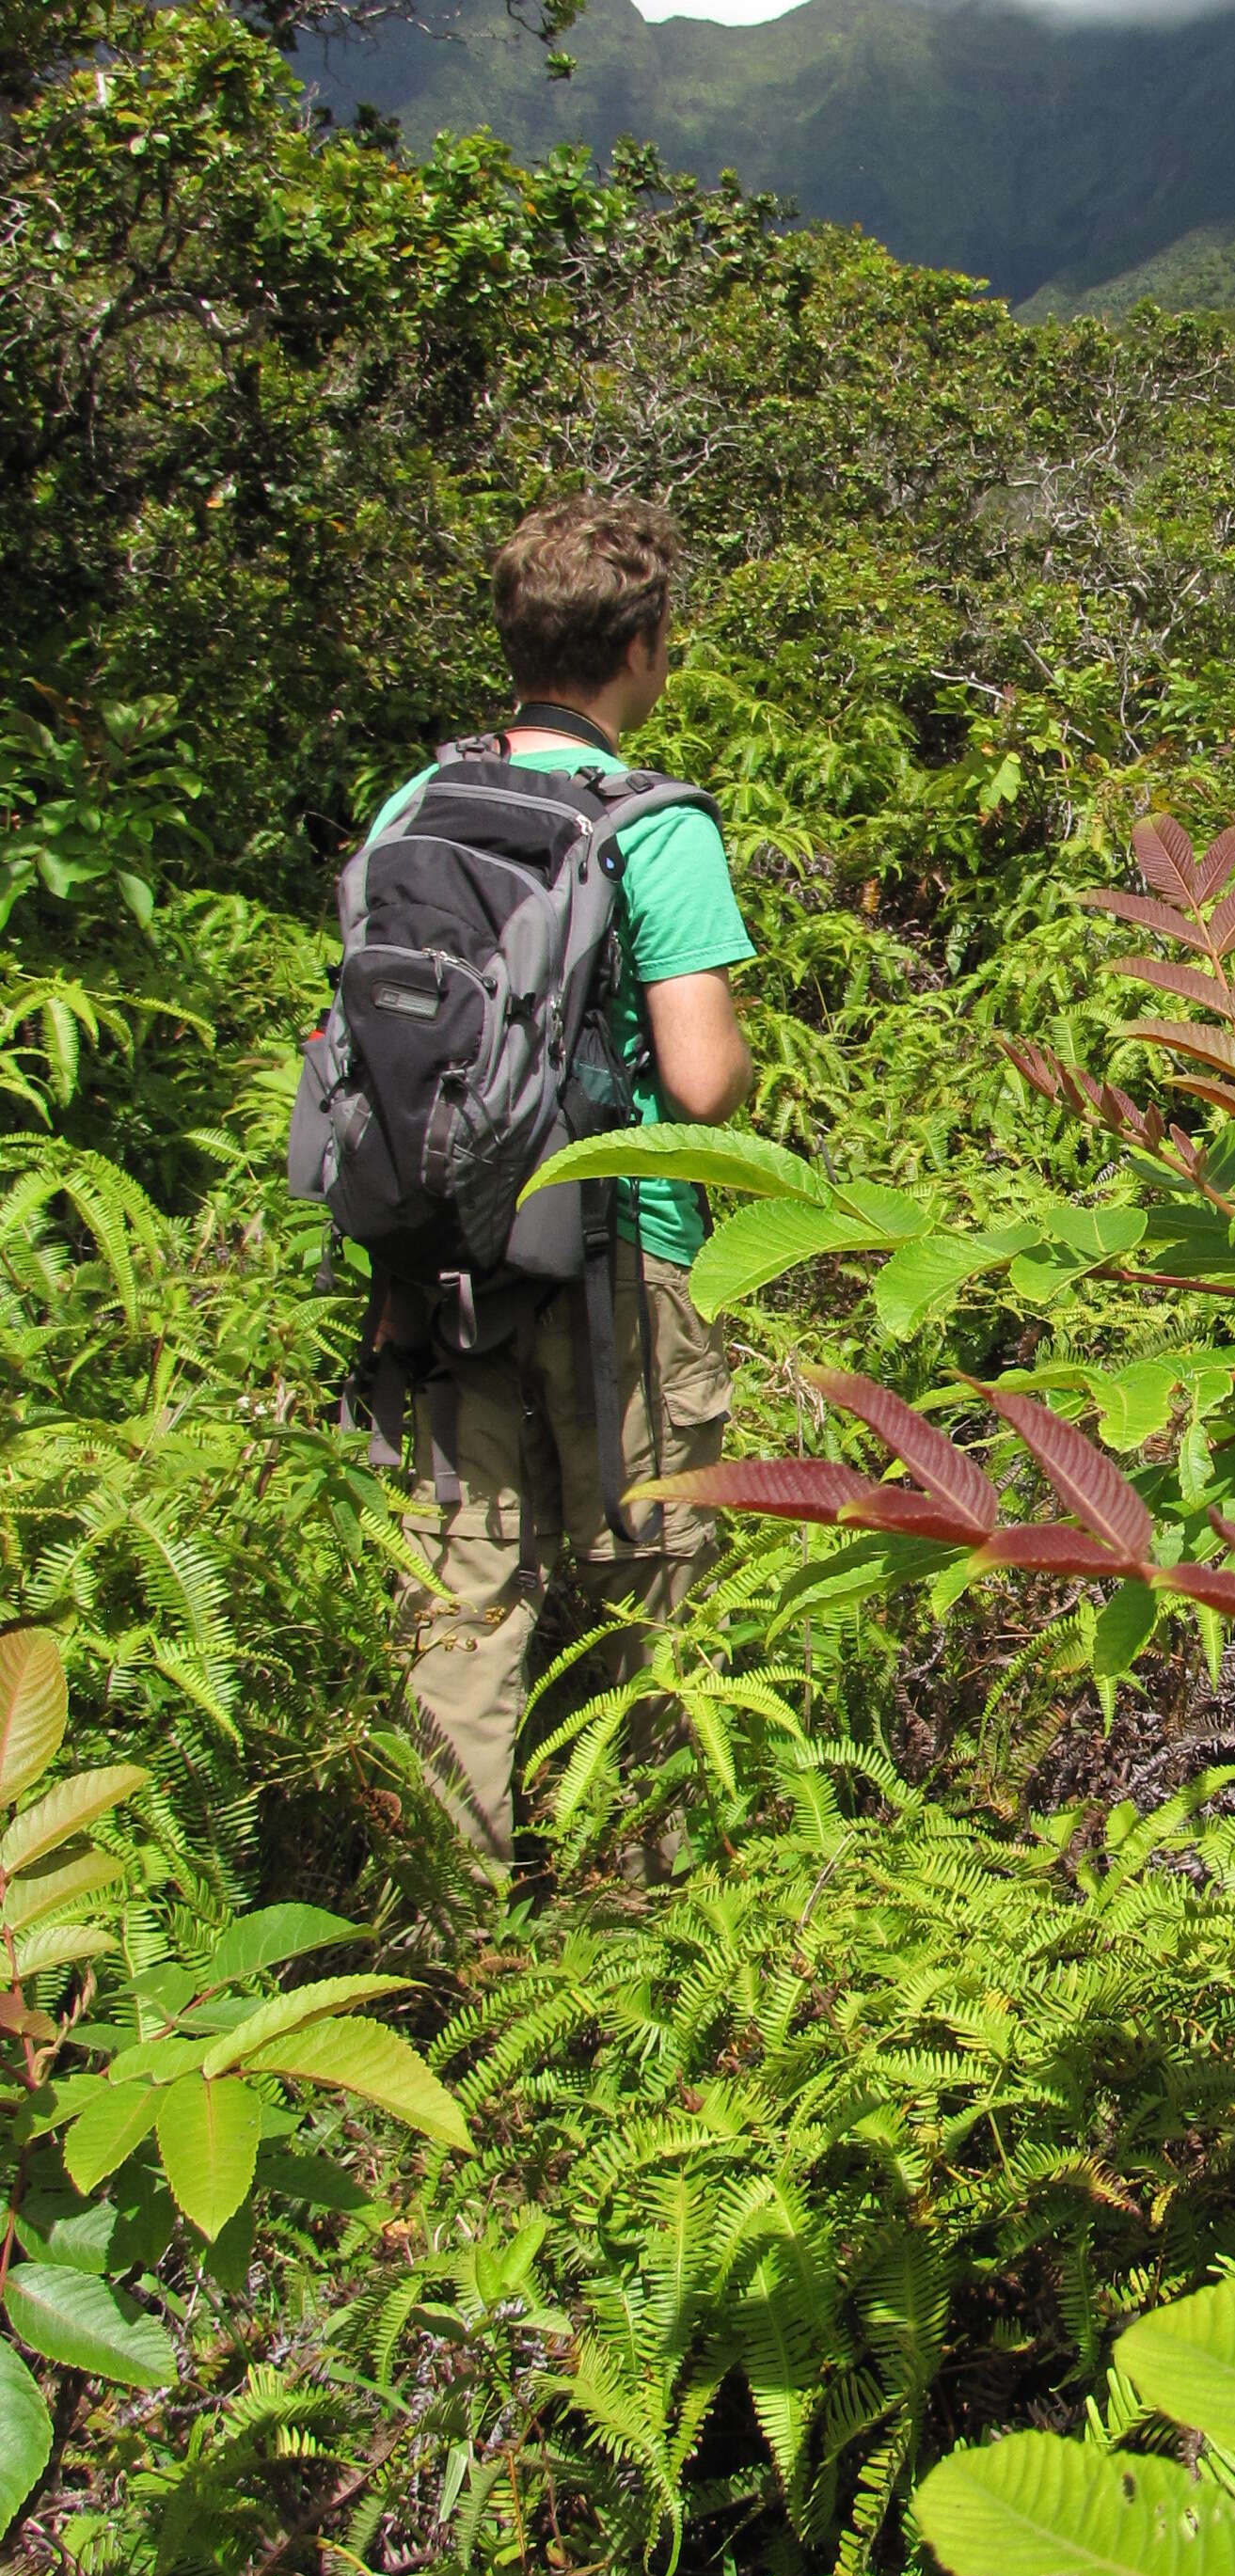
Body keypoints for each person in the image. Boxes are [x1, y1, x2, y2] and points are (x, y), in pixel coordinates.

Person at [377, 496, 755, 1876]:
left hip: (440, 1266)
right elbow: (703, 1086)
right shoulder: (655, 826)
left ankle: (445, 1950)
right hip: (619, 1257)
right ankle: (634, 1943)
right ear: (645, 647)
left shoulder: (415, 804)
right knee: (648, 1605)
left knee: (461, 1614)